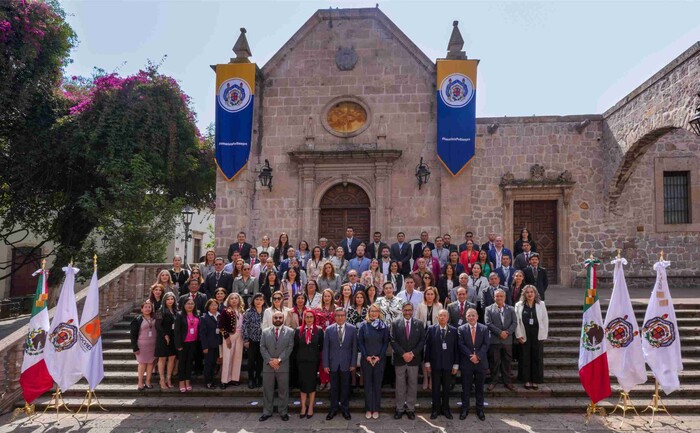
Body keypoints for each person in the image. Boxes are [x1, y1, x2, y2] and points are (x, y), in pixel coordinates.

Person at [390, 302, 426, 420]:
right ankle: (400, 408)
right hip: (400, 359)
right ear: (402, 310)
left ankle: (410, 408)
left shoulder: (419, 324)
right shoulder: (395, 323)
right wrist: (403, 354)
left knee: (412, 384)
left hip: (414, 359)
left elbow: (422, 341)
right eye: (405, 310)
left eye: (409, 310)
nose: (407, 312)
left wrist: (412, 353)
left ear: (413, 310)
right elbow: (393, 340)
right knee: (400, 385)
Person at [259, 311, 295, 422]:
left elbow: (289, 347)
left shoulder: (290, 331)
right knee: (267, 390)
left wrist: (279, 360)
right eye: (275, 317)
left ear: (283, 318)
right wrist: (270, 360)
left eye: (280, 317)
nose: (278, 319)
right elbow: (262, 347)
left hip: (282, 365)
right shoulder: (265, 332)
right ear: (272, 319)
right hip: (268, 366)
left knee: (283, 390)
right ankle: (267, 412)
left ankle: (283, 412)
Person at [424, 309, 459, 420]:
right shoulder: (431, 329)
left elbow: (456, 349)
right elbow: (427, 347)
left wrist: (455, 365)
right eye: (440, 316)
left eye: (444, 316)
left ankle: (446, 409)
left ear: (448, 318)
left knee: (447, 389)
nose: (442, 317)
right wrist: (427, 362)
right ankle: (435, 409)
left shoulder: (453, 331)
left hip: (448, 365)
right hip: (435, 364)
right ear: (437, 318)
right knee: (435, 389)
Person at [324, 308, 357, 421]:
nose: (340, 317)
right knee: (334, 388)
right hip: (333, 364)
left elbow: (354, 348)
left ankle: (345, 409)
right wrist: (325, 364)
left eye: (342, 315)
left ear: (345, 316)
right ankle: (333, 409)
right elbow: (326, 349)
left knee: (345, 388)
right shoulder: (328, 330)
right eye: (337, 315)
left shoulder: (352, 329)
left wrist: (353, 363)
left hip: (346, 364)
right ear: (334, 316)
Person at [457, 308, 489, 421]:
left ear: (477, 317)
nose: (471, 317)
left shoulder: (484, 328)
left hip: (480, 363)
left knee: (479, 387)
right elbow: (461, 344)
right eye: (469, 315)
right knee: (465, 387)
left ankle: (480, 409)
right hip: (467, 362)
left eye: (473, 315)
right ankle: (465, 409)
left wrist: (478, 356)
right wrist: (471, 356)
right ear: (466, 317)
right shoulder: (461, 329)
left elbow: (486, 344)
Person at [358, 304, 390, 419]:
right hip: (366, 360)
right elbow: (360, 342)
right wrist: (366, 356)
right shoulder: (363, 325)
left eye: (376, 311)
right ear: (369, 312)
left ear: (379, 312)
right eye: (372, 311)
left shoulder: (383, 326)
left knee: (377, 385)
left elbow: (386, 343)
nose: (374, 313)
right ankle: (368, 408)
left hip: (379, 360)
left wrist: (378, 357)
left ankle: (376, 408)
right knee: (367, 385)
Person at [515, 285, 548, 390]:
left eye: (531, 292)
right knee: (525, 357)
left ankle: (535, 380)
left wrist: (544, 334)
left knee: (536, 357)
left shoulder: (541, 304)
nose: (529, 294)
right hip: (524, 334)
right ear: (524, 294)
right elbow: (517, 321)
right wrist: (518, 335)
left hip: (537, 334)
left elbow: (545, 320)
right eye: (527, 292)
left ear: (535, 293)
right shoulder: (519, 305)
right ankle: (526, 380)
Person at [485, 289, 518, 391]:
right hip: (495, 340)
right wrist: (500, 332)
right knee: (494, 362)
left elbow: (514, 323)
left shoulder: (511, 309)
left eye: (501, 296)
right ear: (494, 297)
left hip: (507, 340)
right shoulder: (489, 309)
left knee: (507, 362)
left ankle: (507, 381)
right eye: (497, 296)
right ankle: (493, 381)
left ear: (504, 297)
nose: (499, 298)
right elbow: (488, 323)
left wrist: (507, 332)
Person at [296, 309, 324, 418]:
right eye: (307, 317)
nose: (309, 319)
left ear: (314, 318)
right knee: (303, 385)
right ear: (304, 318)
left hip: (313, 362)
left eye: (311, 317)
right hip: (301, 362)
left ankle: (311, 407)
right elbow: (296, 346)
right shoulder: (298, 330)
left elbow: (321, 346)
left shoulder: (319, 331)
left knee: (312, 385)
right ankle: (303, 407)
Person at [415, 286, 441, 390]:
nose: (430, 296)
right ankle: (425, 378)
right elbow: (416, 320)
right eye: (428, 294)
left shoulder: (439, 306)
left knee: (433, 356)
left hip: (435, 334)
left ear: (435, 295)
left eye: (432, 294)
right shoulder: (420, 306)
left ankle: (431, 379)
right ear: (425, 295)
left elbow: (442, 320)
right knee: (424, 357)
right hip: (423, 334)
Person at [219, 292, 245, 388]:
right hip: (230, 335)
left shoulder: (242, 310)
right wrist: (226, 338)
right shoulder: (225, 311)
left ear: (239, 300)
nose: (234, 300)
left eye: (236, 298)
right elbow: (221, 325)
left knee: (237, 357)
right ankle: (224, 380)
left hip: (240, 335)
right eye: (232, 298)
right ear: (228, 300)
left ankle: (234, 378)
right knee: (227, 357)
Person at [130, 300, 157, 390]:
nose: (147, 309)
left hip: (153, 344)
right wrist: (135, 347)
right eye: (145, 307)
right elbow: (133, 335)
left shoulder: (155, 318)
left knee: (150, 363)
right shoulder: (137, 319)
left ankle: (148, 381)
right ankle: (140, 382)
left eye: (149, 307)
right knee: (142, 364)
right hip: (142, 345)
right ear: (141, 309)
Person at [174, 298, 199, 392]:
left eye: (192, 304)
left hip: (193, 342)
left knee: (189, 362)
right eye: (188, 304)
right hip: (183, 343)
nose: (190, 305)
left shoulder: (197, 314)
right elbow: (176, 331)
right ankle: (181, 381)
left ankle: (187, 380)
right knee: (182, 363)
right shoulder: (180, 315)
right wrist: (178, 344)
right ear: (184, 305)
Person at [155, 292, 178, 389]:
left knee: (172, 357)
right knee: (162, 358)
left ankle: (168, 379)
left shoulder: (176, 310)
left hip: (174, 336)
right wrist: (165, 335)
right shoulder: (160, 310)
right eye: (168, 299)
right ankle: (162, 379)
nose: (170, 301)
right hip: (163, 337)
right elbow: (158, 325)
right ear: (164, 300)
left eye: (172, 299)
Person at [243, 293, 266, 389]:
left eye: (261, 299)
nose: (258, 301)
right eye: (257, 299)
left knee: (260, 361)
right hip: (252, 340)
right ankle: (251, 378)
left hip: (263, 340)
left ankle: (258, 377)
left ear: (264, 301)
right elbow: (245, 326)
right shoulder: (248, 312)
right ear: (253, 301)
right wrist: (246, 339)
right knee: (251, 361)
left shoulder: (267, 311)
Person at [199, 299, 222, 389]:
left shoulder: (220, 316)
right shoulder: (204, 318)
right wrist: (204, 346)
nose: (214, 307)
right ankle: (208, 382)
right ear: (208, 306)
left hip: (217, 344)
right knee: (208, 364)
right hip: (209, 345)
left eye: (215, 305)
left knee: (214, 364)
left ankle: (212, 380)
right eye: (212, 305)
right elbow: (202, 334)